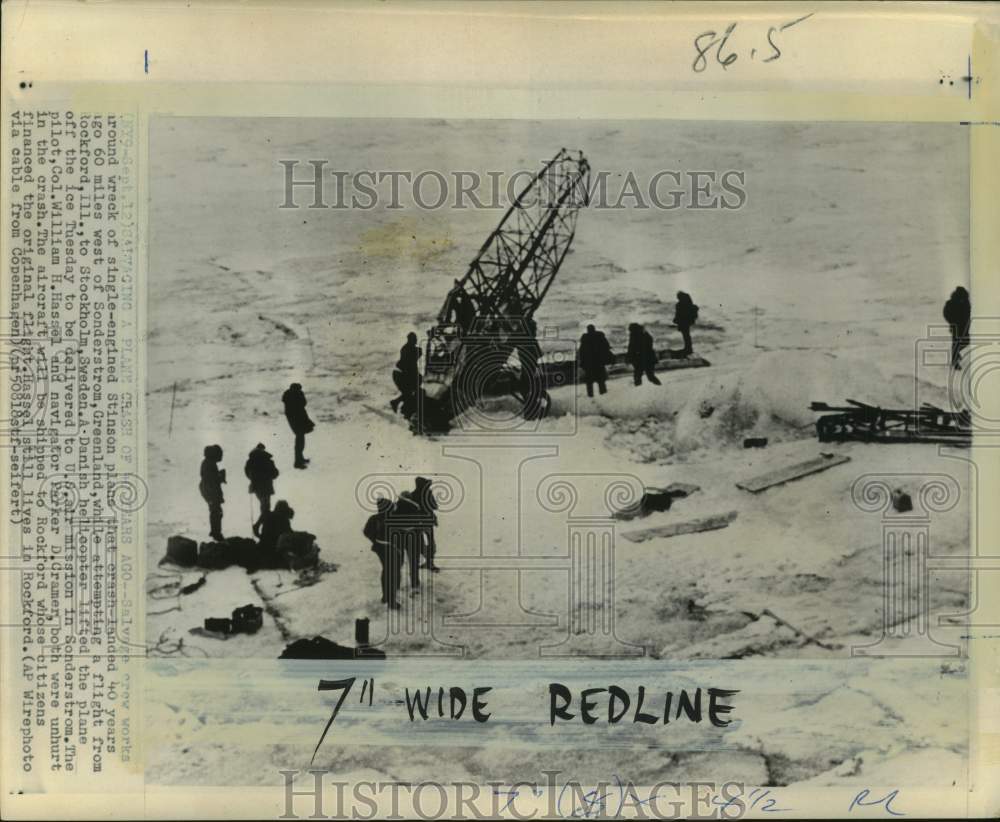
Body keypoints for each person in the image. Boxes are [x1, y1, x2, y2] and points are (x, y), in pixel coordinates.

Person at [396, 476, 440, 589]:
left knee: (419, 544)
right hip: (427, 522)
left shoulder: (413, 494)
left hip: (417, 525)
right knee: (430, 542)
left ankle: (424, 562)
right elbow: (435, 506)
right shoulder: (428, 493)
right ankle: (430, 562)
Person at [364, 497, 402, 609]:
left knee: (387, 570)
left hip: (380, 548)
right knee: (392, 572)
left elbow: (366, 532)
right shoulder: (393, 518)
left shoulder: (374, 518)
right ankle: (391, 601)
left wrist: (374, 540)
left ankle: (386, 596)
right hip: (392, 548)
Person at [244, 443, 279, 536]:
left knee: (264, 508)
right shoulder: (267, 460)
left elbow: (247, 473)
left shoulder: (250, 461)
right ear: (263, 449)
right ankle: (258, 526)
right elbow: (275, 473)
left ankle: (263, 527)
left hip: (256, 488)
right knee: (266, 509)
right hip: (266, 487)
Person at [281, 383, 314, 469]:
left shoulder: (288, 395)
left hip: (296, 419)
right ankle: (298, 462)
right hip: (297, 420)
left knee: (300, 440)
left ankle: (300, 459)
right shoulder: (295, 395)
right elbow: (303, 403)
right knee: (300, 441)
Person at [199, 444, 226, 541]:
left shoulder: (208, 462)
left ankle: (215, 532)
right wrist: (220, 476)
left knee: (216, 511)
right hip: (210, 491)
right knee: (216, 511)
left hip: (208, 490)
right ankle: (216, 533)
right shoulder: (210, 464)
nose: (221, 457)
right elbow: (211, 479)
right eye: (220, 454)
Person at [390, 332, 422, 416]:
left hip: (402, 374)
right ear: (410, 340)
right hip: (400, 375)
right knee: (409, 393)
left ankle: (400, 406)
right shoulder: (408, 349)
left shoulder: (408, 348)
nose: (416, 341)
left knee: (411, 392)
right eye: (414, 339)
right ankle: (398, 405)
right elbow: (417, 354)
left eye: (416, 339)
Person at [578, 324, 614, 397]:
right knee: (601, 381)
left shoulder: (585, 339)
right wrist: (608, 359)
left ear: (588, 330)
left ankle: (590, 396)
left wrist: (582, 363)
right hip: (599, 363)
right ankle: (603, 395)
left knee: (589, 382)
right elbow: (606, 348)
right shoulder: (600, 337)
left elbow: (581, 352)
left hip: (589, 364)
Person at [943, 286, 971, 370]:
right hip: (955, 326)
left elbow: (967, 313)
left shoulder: (966, 302)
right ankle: (955, 362)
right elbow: (946, 313)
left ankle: (956, 354)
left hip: (964, 326)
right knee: (956, 342)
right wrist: (952, 321)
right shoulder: (951, 302)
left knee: (966, 341)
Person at [673, 291, 699, 357]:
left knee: (686, 335)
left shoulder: (680, 304)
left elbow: (679, 314)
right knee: (686, 335)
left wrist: (676, 320)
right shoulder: (687, 303)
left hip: (683, 322)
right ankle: (688, 348)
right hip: (686, 322)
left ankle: (688, 348)